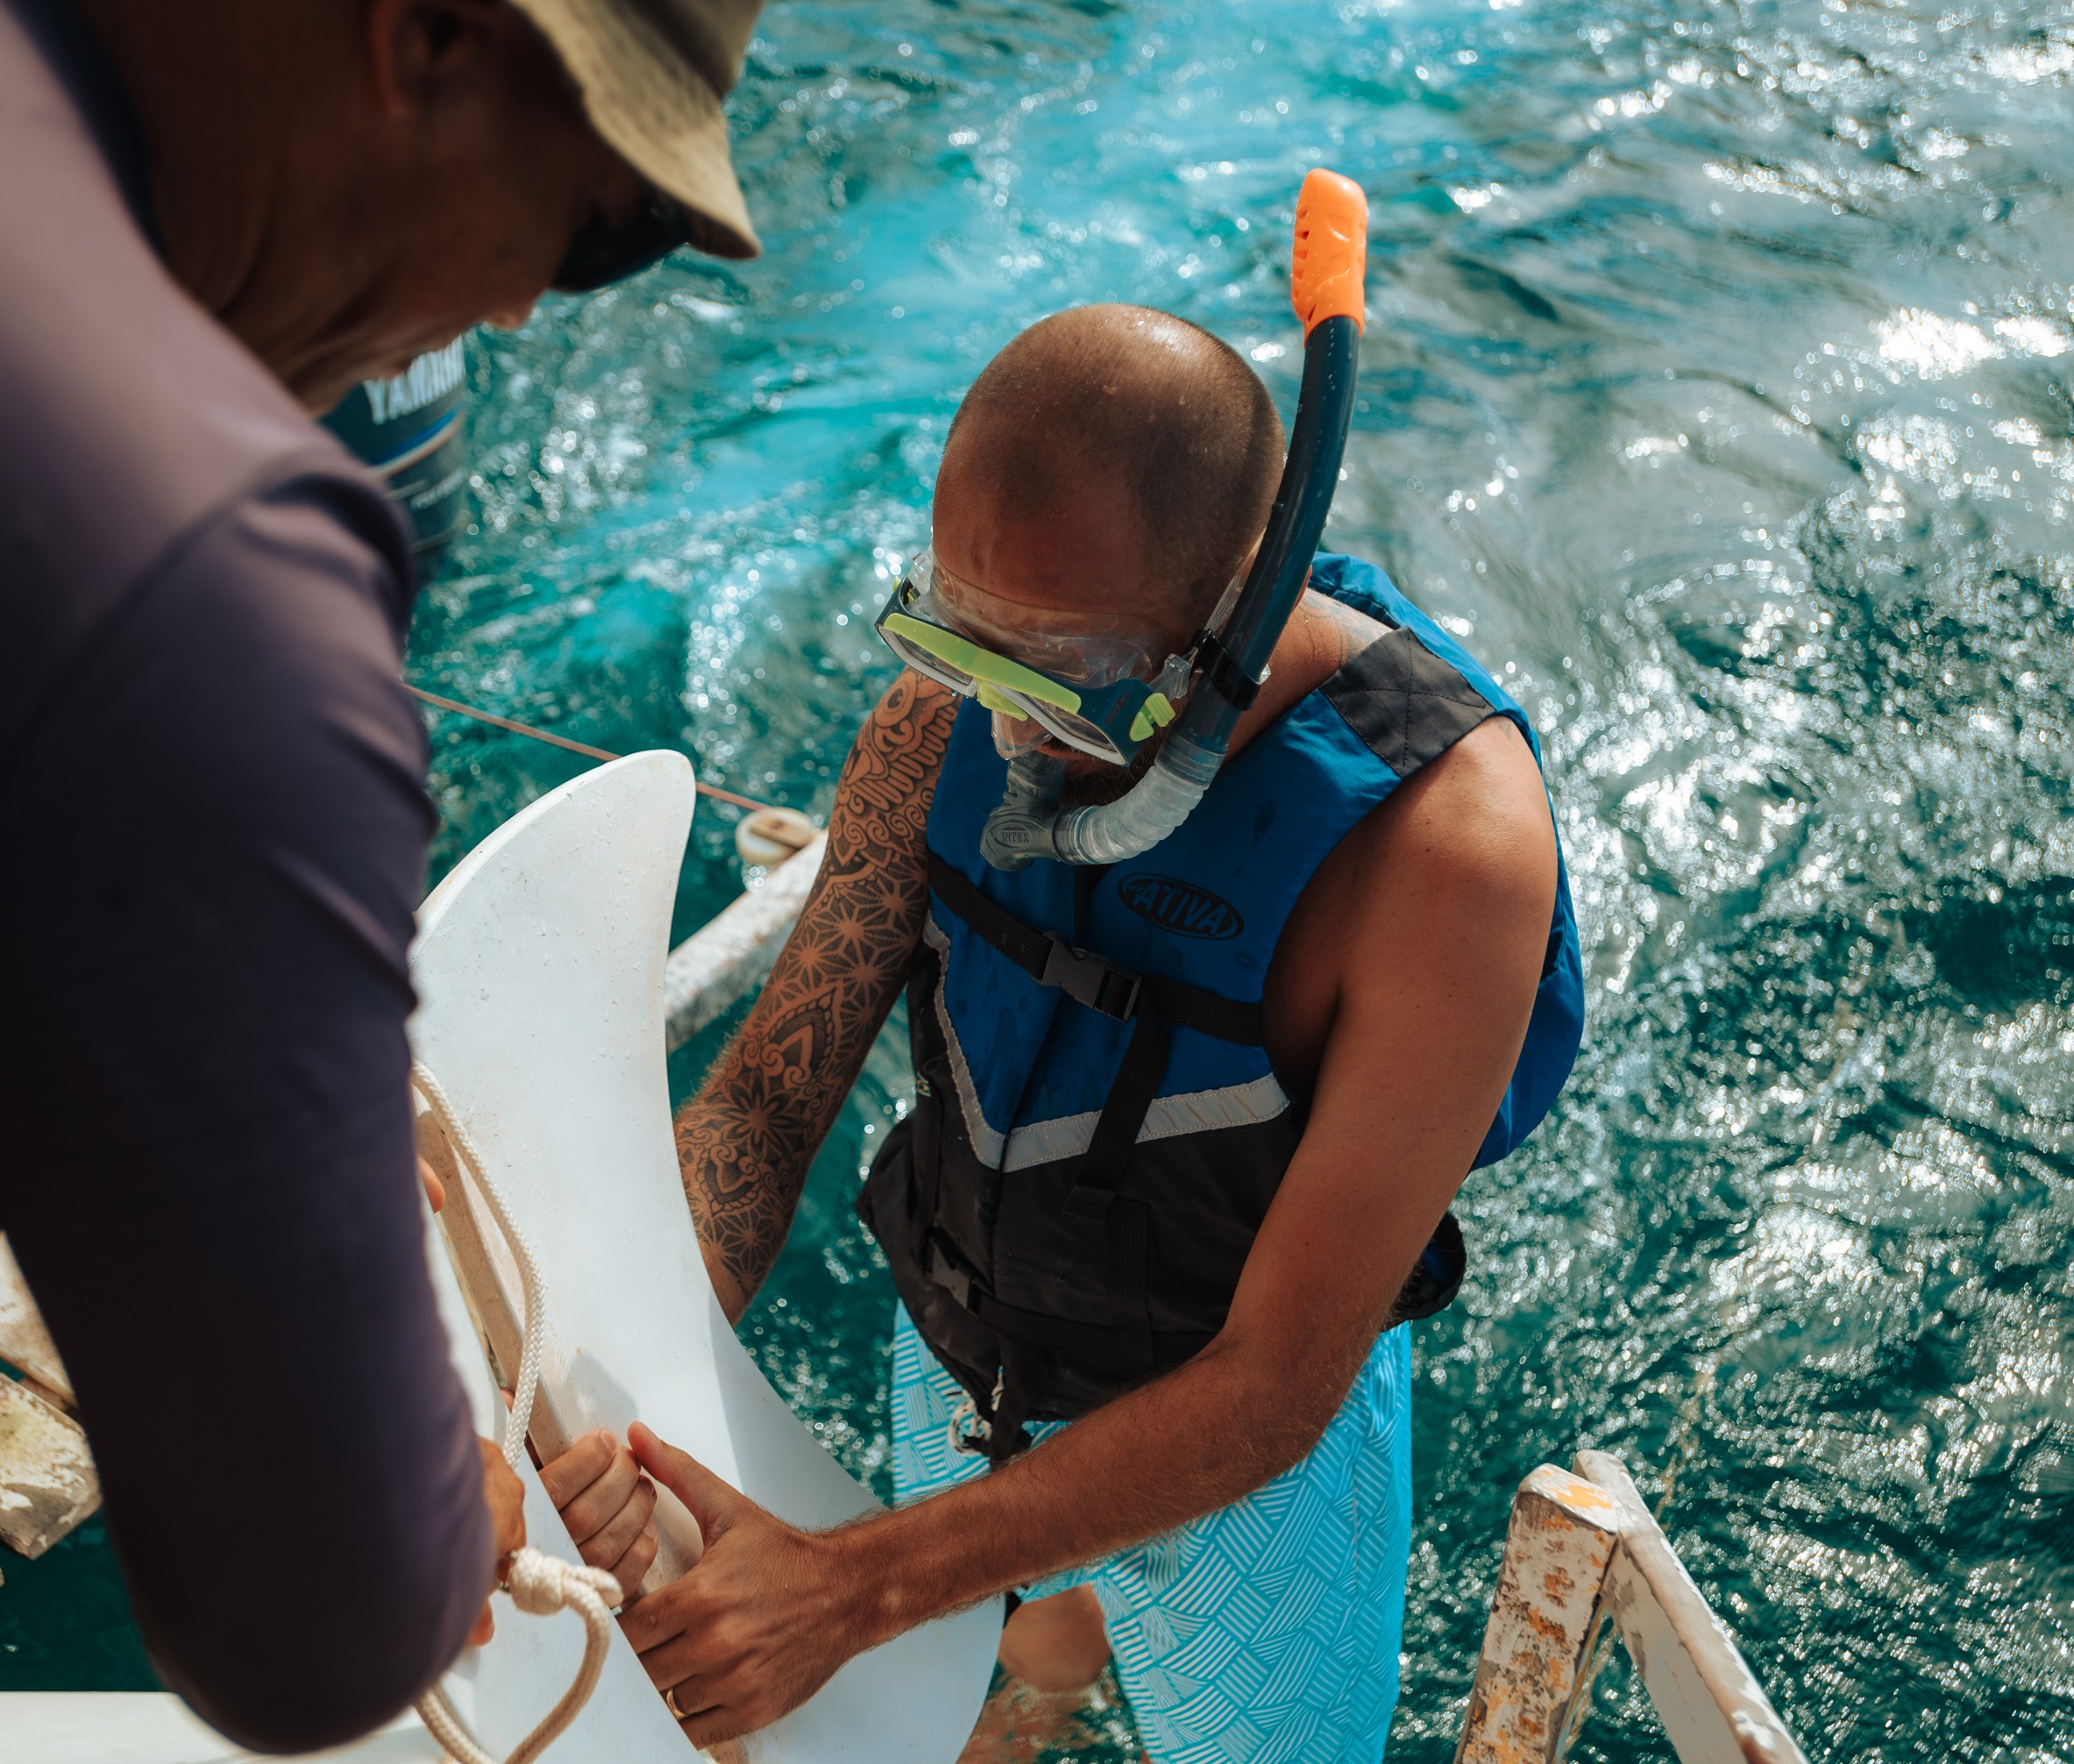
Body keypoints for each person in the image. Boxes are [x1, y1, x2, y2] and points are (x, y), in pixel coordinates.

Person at [0, 0, 764, 1758]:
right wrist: (455, 1512)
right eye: (595, 236)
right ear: (425, 39)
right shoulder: (185, 573)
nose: (505, 314)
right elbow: (309, 1627)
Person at [543, 302, 1589, 1759]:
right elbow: (767, 1109)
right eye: (957, 643)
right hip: (970, 1345)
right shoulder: (947, 715)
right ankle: (1046, 1676)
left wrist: (847, 1591)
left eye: (1057, 679)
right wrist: (588, 1396)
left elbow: (1277, 1386)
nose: (996, 725)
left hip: (1243, 1464)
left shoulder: (1446, 856)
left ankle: (1069, 1642)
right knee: (994, 1647)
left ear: (1228, 625)